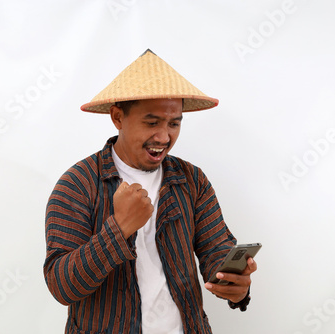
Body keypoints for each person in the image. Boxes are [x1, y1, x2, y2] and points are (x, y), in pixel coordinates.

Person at [43, 49, 257, 334]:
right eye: (152, 122)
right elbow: (61, 286)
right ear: (118, 117)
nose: (164, 137)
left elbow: (216, 250)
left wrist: (234, 283)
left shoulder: (191, 180)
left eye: (174, 123)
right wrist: (118, 229)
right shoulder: (77, 185)